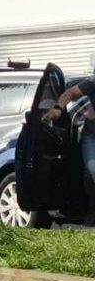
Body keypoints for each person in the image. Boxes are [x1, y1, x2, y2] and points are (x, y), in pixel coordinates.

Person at [43, 78, 95, 221]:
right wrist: (58, 108)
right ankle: (92, 207)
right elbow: (71, 93)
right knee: (92, 170)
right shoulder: (92, 83)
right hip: (91, 136)